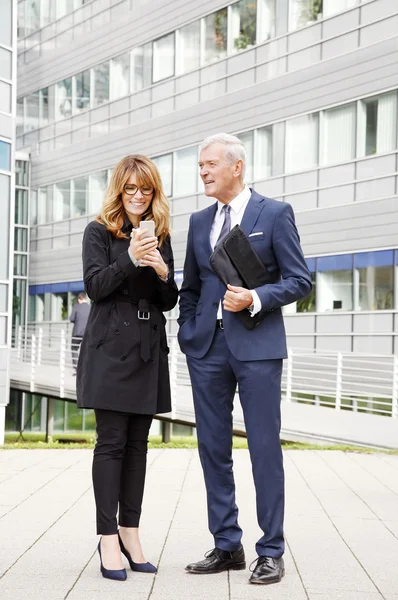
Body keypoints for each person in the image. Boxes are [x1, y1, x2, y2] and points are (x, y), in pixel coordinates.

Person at [178, 133, 312, 585]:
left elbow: (299, 280)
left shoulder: (274, 214)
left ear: (237, 166)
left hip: (257, 348)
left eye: (211, 164)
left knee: (263, 449)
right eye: (200, 166)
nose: (203, 172)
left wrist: (255, 297)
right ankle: (227, 545)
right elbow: (191, 288)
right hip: (207, 350)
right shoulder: (198, 221)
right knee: (212, 449)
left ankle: (271, 550)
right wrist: (188, 330)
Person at [77, 155, 178, 581]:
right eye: (131, 189)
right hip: (109, 348)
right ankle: (106, 539)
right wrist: (130, 258)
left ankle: (130, 532)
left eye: (146, 190)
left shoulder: (162, 234)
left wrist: (161, 270)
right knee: (112, 441)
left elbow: (168, 300)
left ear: (154, 193)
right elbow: (95, 286)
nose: (138, 197)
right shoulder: (98, 231)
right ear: (119, 190)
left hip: (147, 348)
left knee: (139, 444)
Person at [69, 292, 90, 374]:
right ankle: (86, 368)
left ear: (79, 299)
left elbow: (71, 318)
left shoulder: (76, 306)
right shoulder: (90, 307)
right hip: (87, 333)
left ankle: (77, 369)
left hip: (77, 332)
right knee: (86, 350)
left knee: (74, 349)